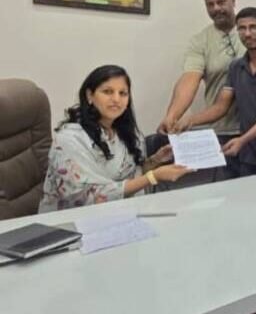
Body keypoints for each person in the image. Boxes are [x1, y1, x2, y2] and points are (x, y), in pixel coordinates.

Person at [157, 0, 256, 183]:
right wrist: (173, 115)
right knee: (228, 188)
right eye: (210, 4)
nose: (216, 8)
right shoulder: (200, 41)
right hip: (224, 131)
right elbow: (190, 78)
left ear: (233, 1)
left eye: (221, 2)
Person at [39, 65, 190, 212]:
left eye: (123, 93)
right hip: (71, 220)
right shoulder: (70, 139)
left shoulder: (126, 132)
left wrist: (155, 161)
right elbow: (83, 197)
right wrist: (152, 177)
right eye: (107, 92)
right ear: (89, 95)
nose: (116, 99)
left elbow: (132, 176)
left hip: (119, 213)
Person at [175, 7, 256, 175]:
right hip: (249, 157)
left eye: (254, 27)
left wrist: (242, 140)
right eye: (241, 28)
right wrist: (190, 121)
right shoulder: (236, 66)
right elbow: (221, 107)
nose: (247, 33)